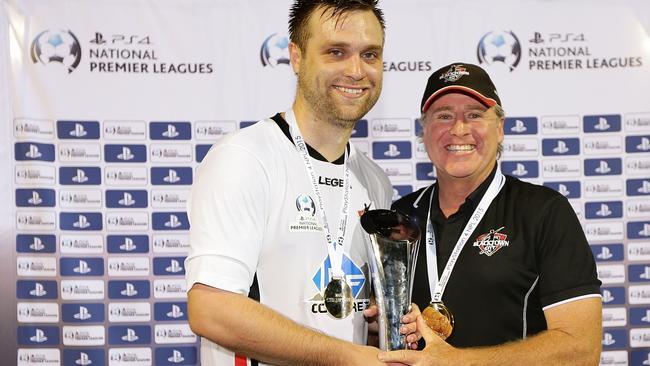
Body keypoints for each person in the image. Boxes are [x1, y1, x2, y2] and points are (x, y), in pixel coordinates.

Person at [185, 1, 419, 365]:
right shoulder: (246, 158)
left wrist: (377, 325)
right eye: (336, 52)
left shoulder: (374, 180)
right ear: (296, 56)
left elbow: (342, 314)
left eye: (370, 54)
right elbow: (211, 308)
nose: (356, 70)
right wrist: (347, 356)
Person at [381, 62, 602, 365]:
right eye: (444, 116)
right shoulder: (402, 215)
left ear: (500, 129)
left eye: (474, 115)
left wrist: (458, 362)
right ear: (425, 131)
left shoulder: (544, 211)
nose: (458, 129)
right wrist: (378, 326)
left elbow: (581, 349)